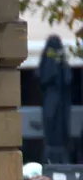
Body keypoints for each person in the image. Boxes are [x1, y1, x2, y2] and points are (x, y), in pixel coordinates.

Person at [36, 35, 72, 164]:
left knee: (60, 129)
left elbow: (67, 79)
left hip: (60, 101)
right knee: (52, 129)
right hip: (52, 99)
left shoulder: (59, 61)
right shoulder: (51, 61)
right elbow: (45, 76)